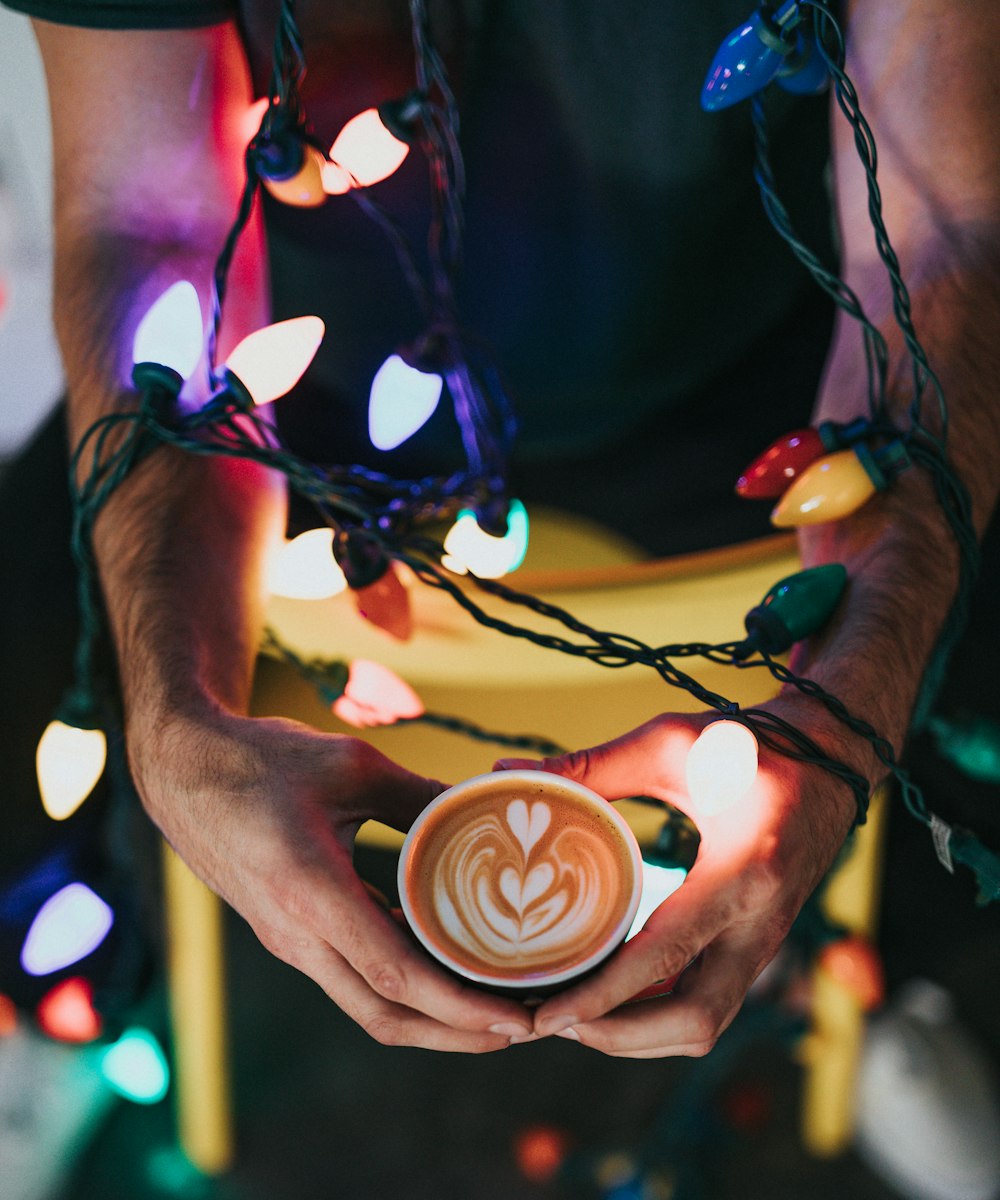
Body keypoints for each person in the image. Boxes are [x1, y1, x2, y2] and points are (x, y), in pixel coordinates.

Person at [2, 0, 999, 1073]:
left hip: (760, 412)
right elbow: (139, 223)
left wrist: (854, 706)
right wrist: (166, 721)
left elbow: (945, 233)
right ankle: (89, 997)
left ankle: (846, 980)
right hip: (295, 427)